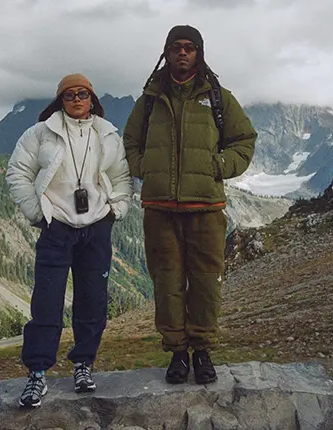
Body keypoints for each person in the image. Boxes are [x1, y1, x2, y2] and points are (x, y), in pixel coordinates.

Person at [122, 25, 257, 385]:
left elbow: (244, 140)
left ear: (199, 53)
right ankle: (177, 353)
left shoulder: (217, 98)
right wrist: (145, 167)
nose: (182, 53)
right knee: (166, 283)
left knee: (205, 283)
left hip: (206, 208)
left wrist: (219, 167)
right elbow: (130, 140)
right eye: (176, 47)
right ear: (165, 52)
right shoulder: (150, 99)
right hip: (160, 209)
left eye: (189, 48)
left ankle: (202, 352)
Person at [6, 73, 133, 407]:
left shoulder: (107, 135)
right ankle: (37, 374)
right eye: (69, 95)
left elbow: (121, 176)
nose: (77, 99)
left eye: (83, 93)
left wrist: (115, 211)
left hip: (96, 227)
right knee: (46, 302)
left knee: (92, 300)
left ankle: (83, 365)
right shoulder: (39, 133)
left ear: (92, 98)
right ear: (60, 100)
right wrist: (37, 212)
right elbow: (17, 172)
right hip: (56, 227)